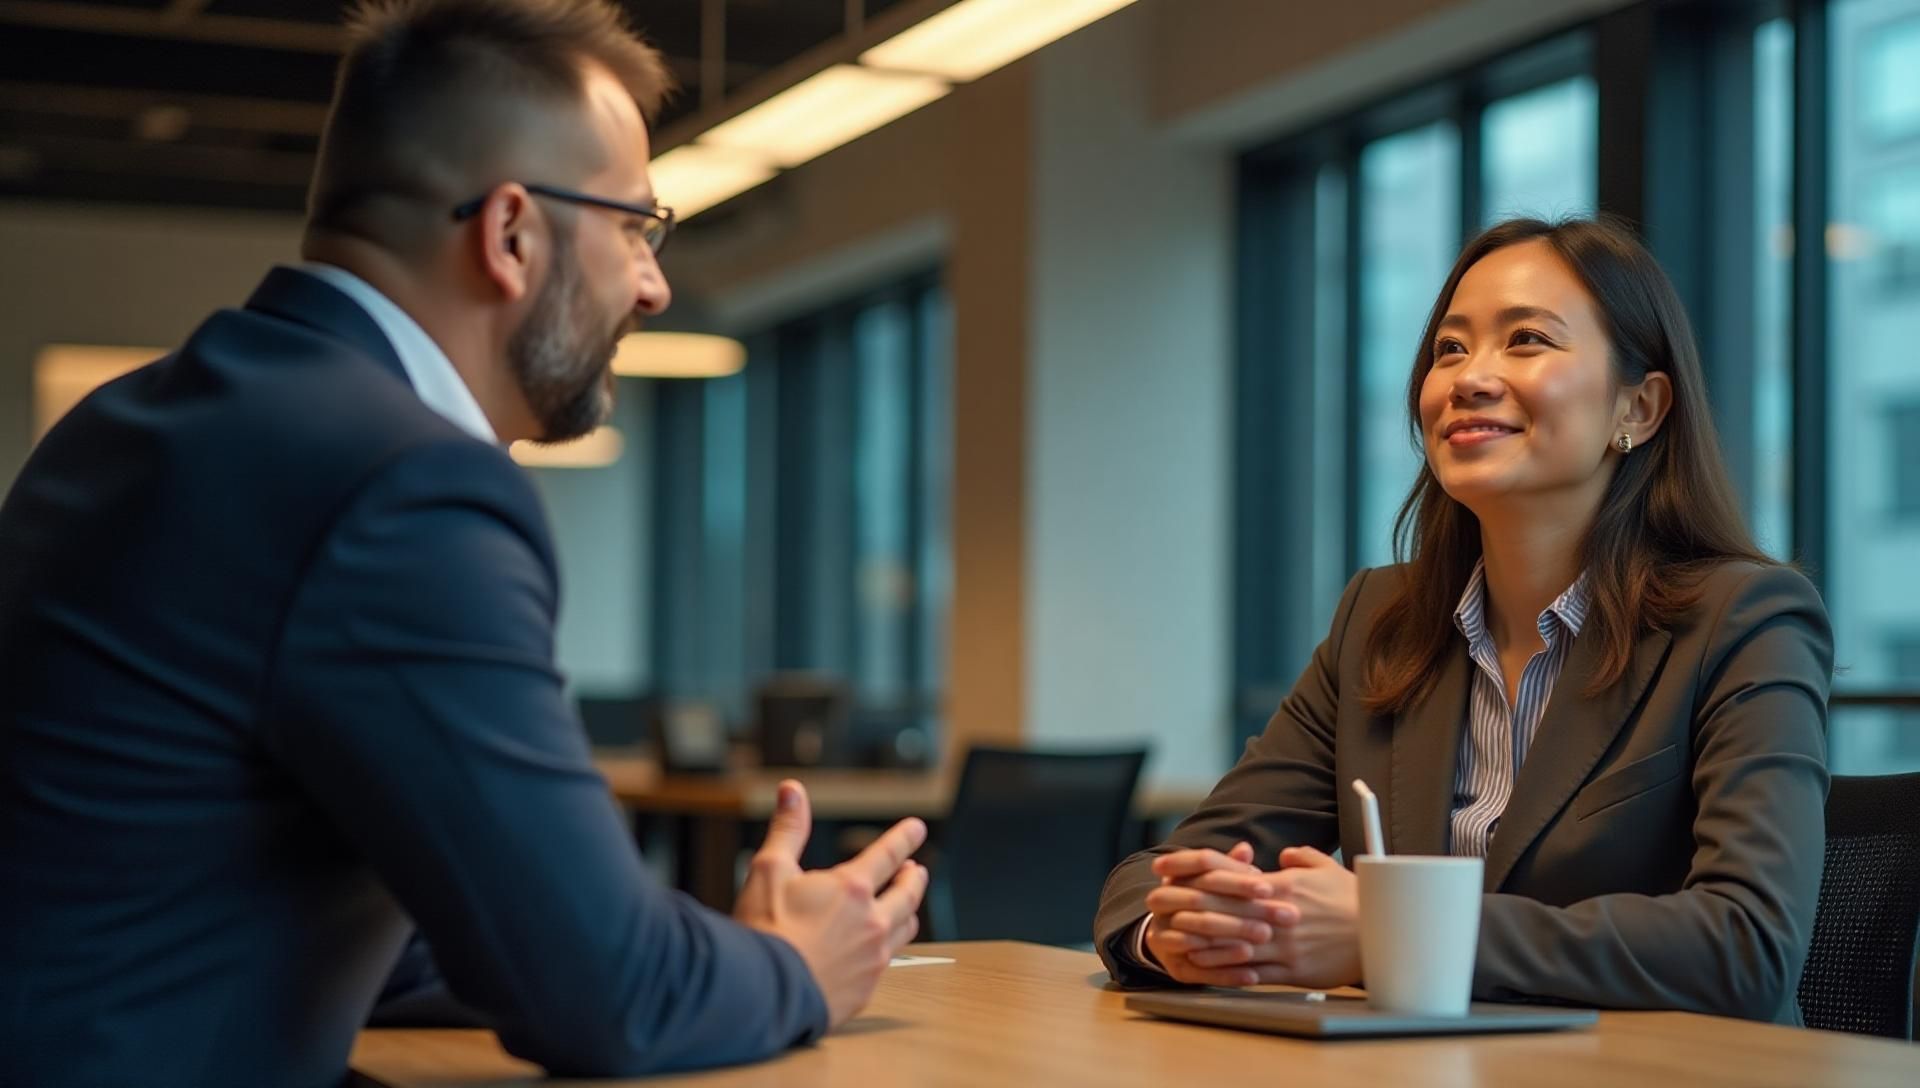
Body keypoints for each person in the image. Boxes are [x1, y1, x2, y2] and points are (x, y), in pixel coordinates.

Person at [0, 1, 927, 1084]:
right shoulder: (400, 481)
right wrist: (792, 967)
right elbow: (609, 1002)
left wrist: (663, 939)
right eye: (636, 225)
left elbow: (380, 931)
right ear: (512, 233)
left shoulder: (138, 421)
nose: (654, 282)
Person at [1094, 216, 1832, 1025]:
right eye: (1450, 349)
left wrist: (1392, 934)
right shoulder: (1380, 623)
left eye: (1526, 341)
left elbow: (1749, 942)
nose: (1469, 378)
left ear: (1640, 408)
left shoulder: (1743, 619)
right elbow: (1156, 876)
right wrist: (1185, 930)